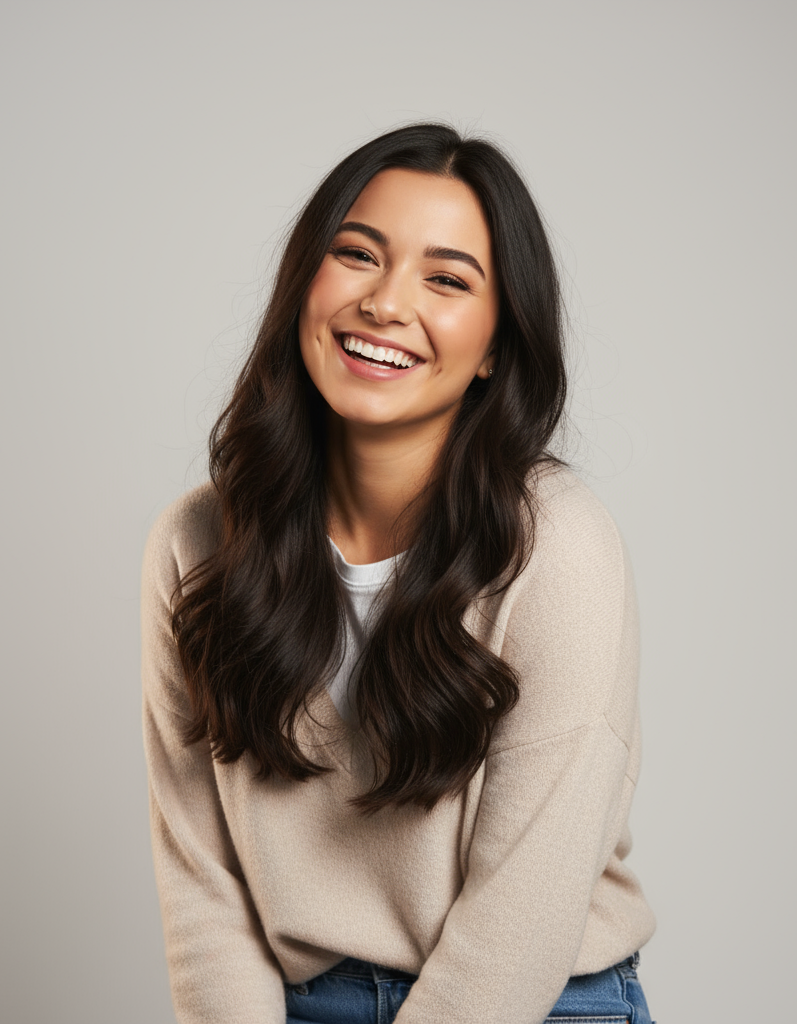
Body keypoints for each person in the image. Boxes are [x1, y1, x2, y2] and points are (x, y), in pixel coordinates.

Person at [141, 123, 655, 1024]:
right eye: (356, 255)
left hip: (537, 1003)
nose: (385, 303)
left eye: (447, 280)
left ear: (497, 345)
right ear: (305, 281)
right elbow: (204, 893)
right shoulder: (197, 543)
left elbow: (520, 921)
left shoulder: (557, 545)